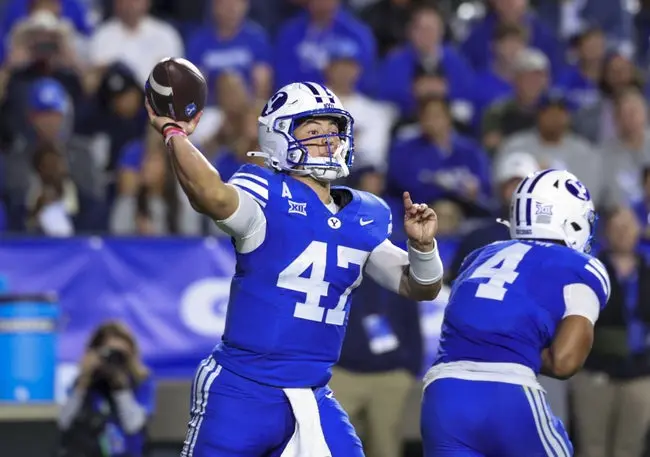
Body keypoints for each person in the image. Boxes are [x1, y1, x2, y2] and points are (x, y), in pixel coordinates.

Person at [144, 80, 444, 456]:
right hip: (241, 389)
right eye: (313, 131)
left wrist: (422, 246)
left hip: (312, 393)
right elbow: (211, 194)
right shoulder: (264, 191)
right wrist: (175, 134)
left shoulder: (364, 213)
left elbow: (420, 286)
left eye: (334, 131)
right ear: (279, 137)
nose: (328, 141)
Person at [421, 169, 610, 456]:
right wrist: (517, 348)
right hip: (506, 392)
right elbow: (564, 362)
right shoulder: (580, 266)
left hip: (442, 393)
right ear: (570, 220)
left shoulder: (481, 255)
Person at [57, 321, 155, 457]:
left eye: (119, 355)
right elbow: (63, 422)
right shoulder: (85, 382)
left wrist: (120, 387)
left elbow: (134, 426)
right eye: (108, 354)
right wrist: (84, 380)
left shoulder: (141, 381)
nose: (113, 361)